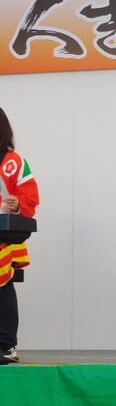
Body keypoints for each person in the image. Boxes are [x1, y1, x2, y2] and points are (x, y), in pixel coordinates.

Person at [0, 107, 40, 362]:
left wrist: (17, 204)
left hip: (3, 237)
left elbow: (30, 196)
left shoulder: (13, 162)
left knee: (2, 285)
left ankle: (5, 344)